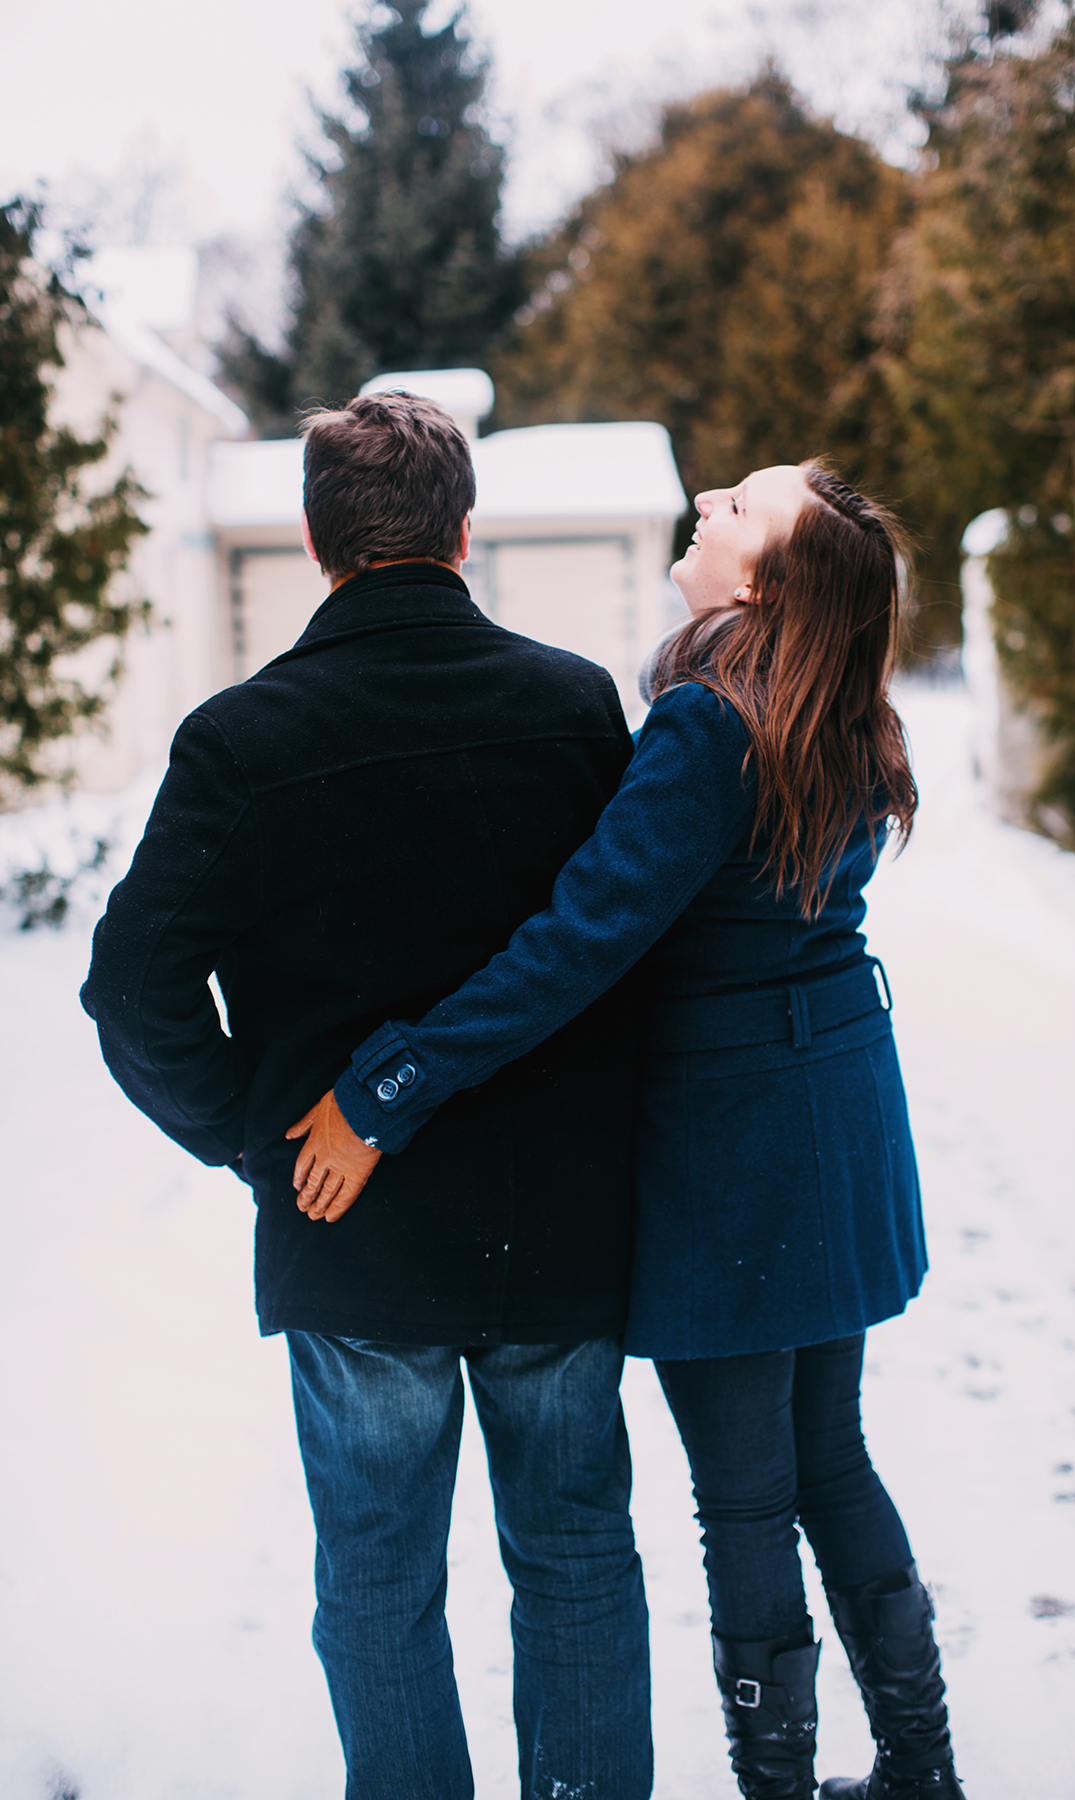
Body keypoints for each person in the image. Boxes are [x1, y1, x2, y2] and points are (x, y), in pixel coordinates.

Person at [290, 459, 968, 1800]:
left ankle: (785, 1785)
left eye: (741, 506)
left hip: (739, 1146)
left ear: (766, 581)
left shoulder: (709, 727)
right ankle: (921, 1767)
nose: (709, 496)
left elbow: (576, 944)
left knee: (748, 1498)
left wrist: (393, 1081)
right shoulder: (834, 708)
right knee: (829, 1456)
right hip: (836, 1110)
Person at [80, 391, 654, 1800]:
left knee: (381, 1583)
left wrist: (255, 1145)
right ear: (465, 531)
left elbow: (133, 988)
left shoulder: (241, 742)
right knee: (575, 1560)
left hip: (359, 1237)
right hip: (561, 1231)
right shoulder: (573, 706)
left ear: (313, 541)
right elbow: (623, 955)